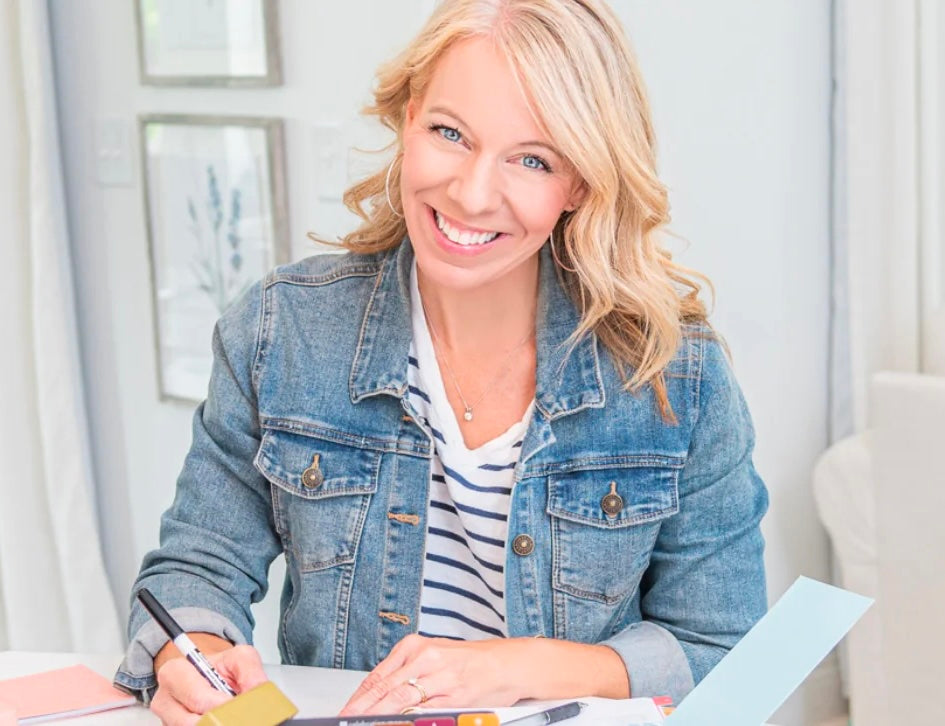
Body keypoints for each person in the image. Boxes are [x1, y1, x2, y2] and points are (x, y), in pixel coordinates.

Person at [115, 0, 769, 722]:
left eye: (532, 159)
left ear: (578, 183)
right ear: (408, 119)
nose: (470, 192)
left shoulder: (676, 376)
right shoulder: (281, 331)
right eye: (449, 133)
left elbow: (721, 647)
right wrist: (190, 650)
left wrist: (516, 669)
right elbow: (195, 565)